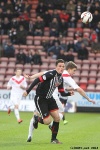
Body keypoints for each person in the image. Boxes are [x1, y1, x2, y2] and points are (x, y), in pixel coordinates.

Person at [24, 61, 95, 141]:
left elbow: (42, 73)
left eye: (62, 66)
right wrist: (88, 99)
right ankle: (49, 124)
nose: (74, 73)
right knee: (58, 115)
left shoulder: (59, 74)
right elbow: (79, 89)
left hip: (50, 97)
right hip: (48, 97)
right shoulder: (65, 76)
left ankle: (32, 135)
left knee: (50, 116)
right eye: (74, 70)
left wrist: (30, 77)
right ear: (69, 69)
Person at [23, 59, 73, 144]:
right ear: (56, 67)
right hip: (41, 99)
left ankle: (53, 139)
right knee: (47, 122)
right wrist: (28, 91)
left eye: (63, 66)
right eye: (59, 66)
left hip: (50, 99)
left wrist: (69, 93)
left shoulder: (61, 78)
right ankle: (36, 118)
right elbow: (37, 80)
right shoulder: (51, 74)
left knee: (57, 118)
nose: (61, 68)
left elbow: (61, 92)